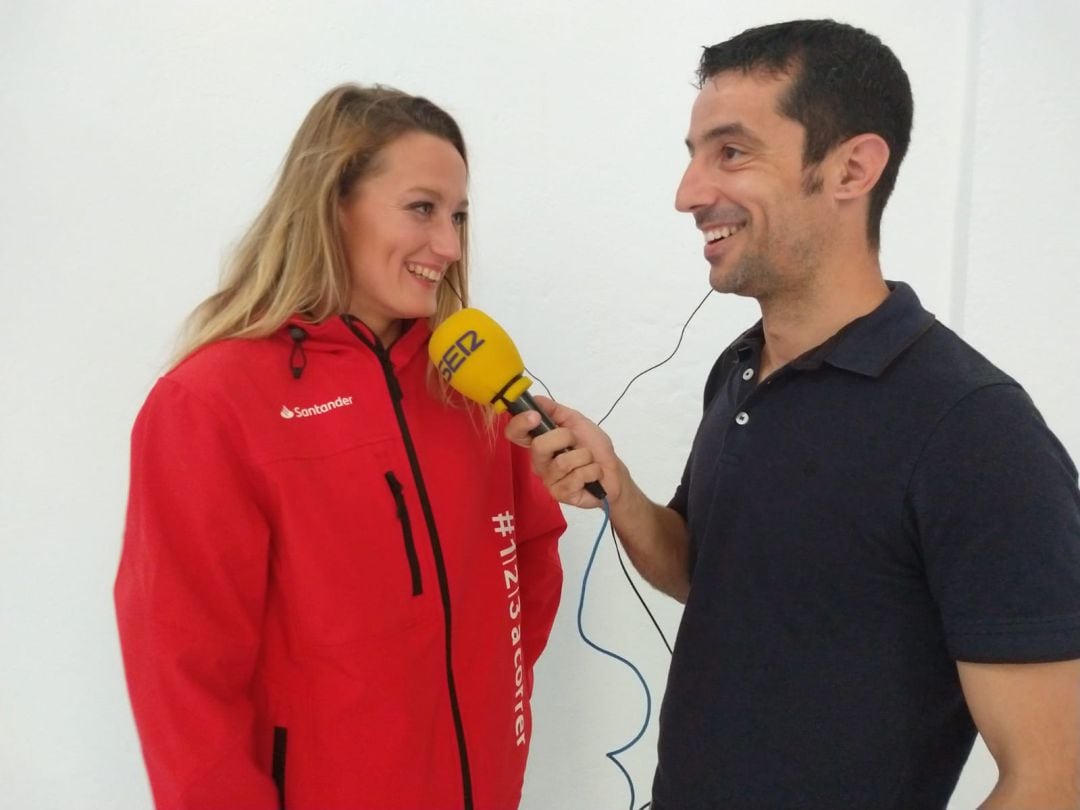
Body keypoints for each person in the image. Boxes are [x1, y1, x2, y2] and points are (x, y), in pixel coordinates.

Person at [506, 19, 1080, 810]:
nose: (689, 193)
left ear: (852, 168)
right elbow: (710, 575)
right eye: (693, 154)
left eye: (732, 152)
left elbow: (1052, 778)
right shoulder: (740, 369)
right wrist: (622, 491)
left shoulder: (975, 432)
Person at [114, 83, 566, 810]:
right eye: (422, 209)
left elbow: (530, 566)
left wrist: (481, 709)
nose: (448, 246)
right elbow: (181, 673)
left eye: (458, 216)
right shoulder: (211, 403)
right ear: (333, 204)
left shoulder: (472, 388)